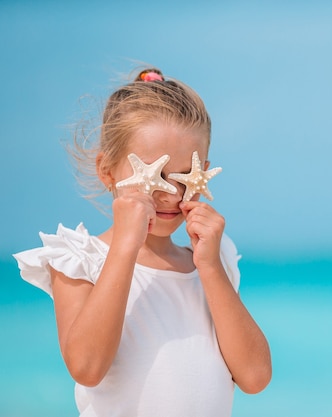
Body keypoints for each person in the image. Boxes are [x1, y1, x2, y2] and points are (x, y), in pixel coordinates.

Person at [13, 67, 272, 417]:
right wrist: (124, 247)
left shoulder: (213, 263)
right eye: (155, 175)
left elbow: (255, 377)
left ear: (205, 171)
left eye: (184, 175)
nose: (171, 192)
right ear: (108, 171)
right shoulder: (81, 259)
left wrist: (209, 267)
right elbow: (87, 368)